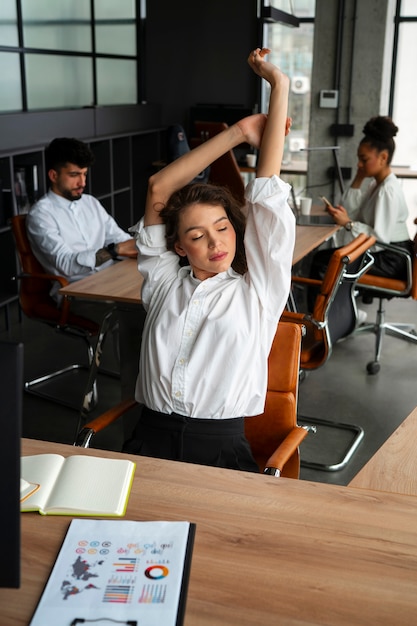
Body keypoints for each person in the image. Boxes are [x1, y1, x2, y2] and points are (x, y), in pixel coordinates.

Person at [124, 48, 295, 472]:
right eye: (197, 235)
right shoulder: (164, 281)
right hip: (148, 437)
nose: (215, 242)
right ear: (179, 246)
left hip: (220, 447)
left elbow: (267, 190)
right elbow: (159, 188)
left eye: (222, 228)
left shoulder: (259, 290)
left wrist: (279, 86)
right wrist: (236, 133)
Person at [309, 116, 414, 303]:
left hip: (392, 257)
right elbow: (354, 211)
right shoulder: (376, 184)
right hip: (387, 253)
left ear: (383, 158)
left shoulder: (387, 191)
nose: (359, 164)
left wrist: (348, 224)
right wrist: (359, 176)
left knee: (324, 262)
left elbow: (379, 238)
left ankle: (319, 320)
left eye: (364, 159)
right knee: (325, 258)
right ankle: (328, 315)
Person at [26, 137, 137, 304]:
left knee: (157, 292)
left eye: (84, 174)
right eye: (74, 175)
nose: (82, 182)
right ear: (53, 175)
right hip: (75, 292)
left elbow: (120, 239)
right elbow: (66, 265)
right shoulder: (40, 215)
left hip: (110, 277)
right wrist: (114, 251)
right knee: (141, 310)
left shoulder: (90, 202)